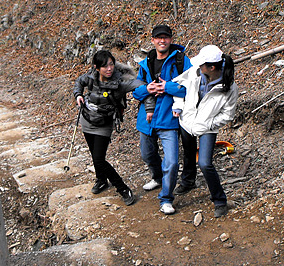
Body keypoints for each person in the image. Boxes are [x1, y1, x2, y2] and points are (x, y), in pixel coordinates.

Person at [73, 50, 147, 206]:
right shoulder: (91, 77)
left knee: (99, 159)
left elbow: (138, 84)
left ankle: (123, 188)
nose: (109, 69)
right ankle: (101, 180)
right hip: (87, 119)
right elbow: (79, 81)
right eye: (105, 66)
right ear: (96, 67)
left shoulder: (120, 82)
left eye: (111, 64)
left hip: (104, 123)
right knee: (95, 154)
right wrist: (78, 94)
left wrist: (150, 86)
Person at [171, 44, 238, 218]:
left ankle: (220, 200)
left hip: (207, 127)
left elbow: (228, 114)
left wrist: (210, 124)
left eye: (202, 64)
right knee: (188, 153)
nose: (199, 66)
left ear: (212, 67)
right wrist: (178, 105)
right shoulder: (195, 72)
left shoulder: (229, 87)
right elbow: (178, 86)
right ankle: (188, 182)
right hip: (187, 121)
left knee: (205, 163)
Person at [131, 25, 192, 215]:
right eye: (158, 38)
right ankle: (158, 177)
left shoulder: (181, 61)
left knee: (172, 162)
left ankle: (166, 198)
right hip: (147, 120)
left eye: (166, 37)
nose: (162, 41)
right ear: (152, 40)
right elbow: (135, 92)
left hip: (169, 120)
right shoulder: (145, 63)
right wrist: (147, 89)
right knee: (147, 155)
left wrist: (167, 87)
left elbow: (191, 88)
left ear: (171, 39)